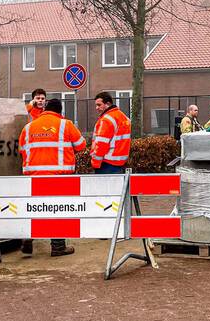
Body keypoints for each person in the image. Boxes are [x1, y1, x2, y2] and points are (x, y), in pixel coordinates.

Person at [18, 98, 86, 257]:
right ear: (60, 111)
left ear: (45, 109)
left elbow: (22, 149)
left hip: (34, 175)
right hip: (58, 176)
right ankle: (58, 247)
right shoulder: (65, 125)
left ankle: (28, 236)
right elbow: (81, 145)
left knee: (35, 207)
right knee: (57, 209)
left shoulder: (28, 127)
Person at [91, 91, 131, 174]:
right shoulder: (124, 117)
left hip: (106, 163)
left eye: (99, 105)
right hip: (120, 162)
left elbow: (101, 144)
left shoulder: (106, 119)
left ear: (108, 104)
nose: (96, 108)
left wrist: (95, 162)